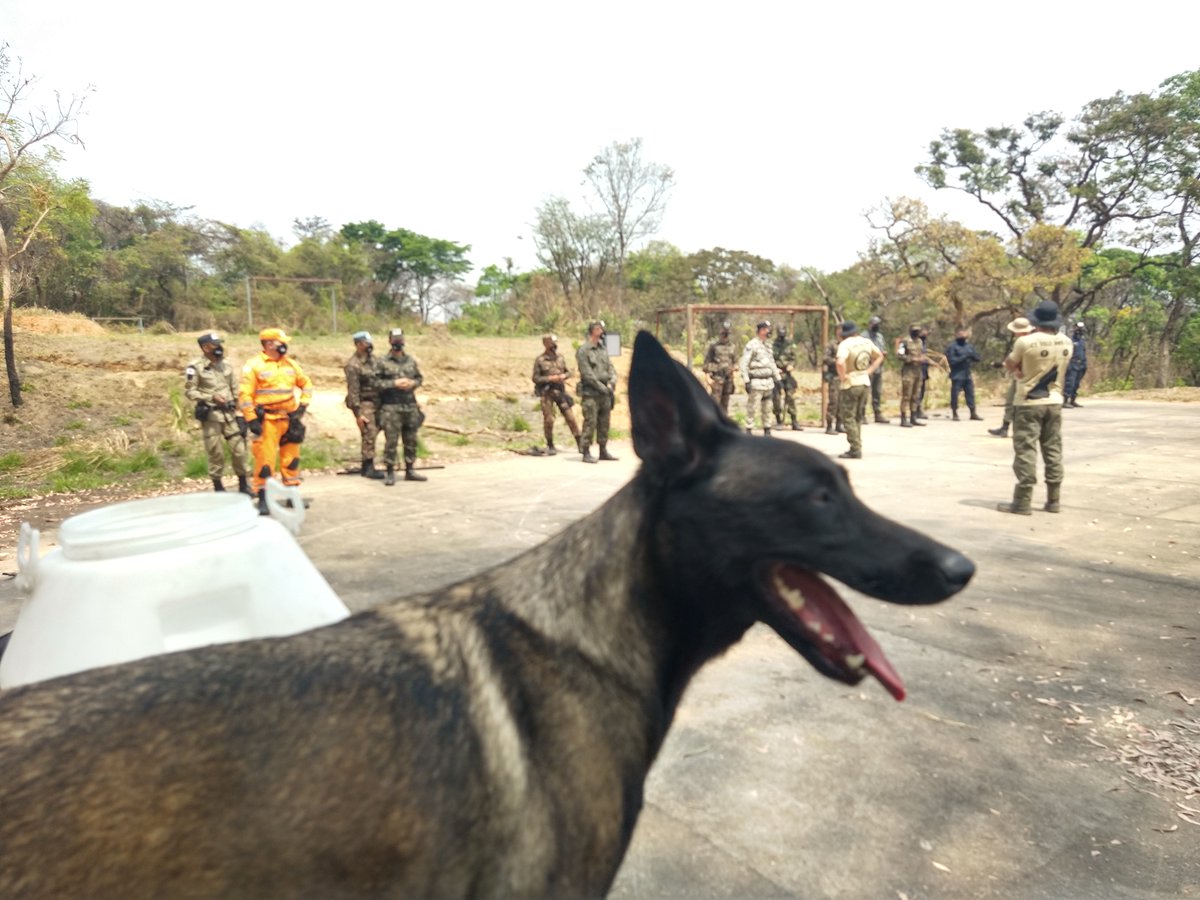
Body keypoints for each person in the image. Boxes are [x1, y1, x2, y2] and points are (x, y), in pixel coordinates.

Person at [997, 300, 1074, 515]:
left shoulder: (1025, 342)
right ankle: (1053, 500)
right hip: (1054, 400)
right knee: (1053, 449)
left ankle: (1022, 502)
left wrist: (1019, 370)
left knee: (1026, 450)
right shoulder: (1067, 342)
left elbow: (1010, 363)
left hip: (1028, 402)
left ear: (1036, 321)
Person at [239, 327, 313, 514]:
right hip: (267, 421)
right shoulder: (254, 366)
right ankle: (263, 497)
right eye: (282, 342)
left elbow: (306, 384)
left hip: (289, 419)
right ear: (269, 344)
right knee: (265, 460)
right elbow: (245, 395)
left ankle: (292, 496)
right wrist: (251, 419)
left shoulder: (290, 364)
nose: (285, 345)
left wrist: (302, 406)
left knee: (291, 459)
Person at [185, 331, 251, 495]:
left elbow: (235, 389)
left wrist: (240, 413)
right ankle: (219, 489)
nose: (219, 348)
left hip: (230, 415)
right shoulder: (195, 367)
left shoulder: (226, 364)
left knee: (239, 450)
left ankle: (244, 486)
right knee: (216, 453)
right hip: (211, 416)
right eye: (215, 345)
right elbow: (190, 392)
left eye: (220, 344)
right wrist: (211, 397)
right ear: (205, 348)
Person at [373, 328, 427, 485]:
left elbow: (419, 378)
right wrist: (394, 383)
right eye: (395, 340)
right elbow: (375, 383)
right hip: (391, 407)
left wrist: (412, 383)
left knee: (411, 439)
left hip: (410, 406)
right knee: (391, 441)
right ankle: (390, 471)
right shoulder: (382, 362)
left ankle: (410, 469)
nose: (398, 342)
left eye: (400, 339)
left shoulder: (410, 360)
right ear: (390, 341)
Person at [835, 321, 884, 459]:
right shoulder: (866, 342)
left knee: (848, 417)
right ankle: (857, 444)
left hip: (851, 383)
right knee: (858, 416)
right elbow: (880, 356)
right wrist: (869, 370)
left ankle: (855, 448)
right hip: (864, 381)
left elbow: (840, 362)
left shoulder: (845, 344)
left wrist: (843, 376)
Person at [532, 333, 582, 455]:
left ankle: (580, 443)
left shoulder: (560, 357)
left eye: (555, 343)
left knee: (570, 418)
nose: (554, 345)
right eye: (551, 343)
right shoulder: (540, 360)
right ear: (545, 344)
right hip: (547, 393)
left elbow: (568, 372)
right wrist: (550, 378)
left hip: (560, 392)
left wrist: (564, 376)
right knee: (549, 419)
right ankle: (550, 445)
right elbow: (536, 378)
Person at [576, 320, 619, 464]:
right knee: (590, 422)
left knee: (604, 422)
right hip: (591, 393)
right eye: (598, 328)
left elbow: (611, 368)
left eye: (601, 328)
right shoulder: (584, 351)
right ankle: (586, 451)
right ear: (592, 331)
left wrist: (612, 382)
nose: (601, 330)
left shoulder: (603, 349)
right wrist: (602, 387)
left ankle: (603, 450)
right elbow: (587, 374)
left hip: (605, 393)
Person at [344, 331, 384, 479]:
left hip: (379, 401)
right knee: (369, 431)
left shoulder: (374, 360)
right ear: (358, 344)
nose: (369, 345)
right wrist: (358, 414)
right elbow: (353, 391)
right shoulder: (353, 365)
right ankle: (367, 467)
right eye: (366, 342)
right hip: (364, 402)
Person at [988, 316, 1033, 438]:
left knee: (1012, 402)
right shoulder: (1034, 341)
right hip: (1032, 377)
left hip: (1021, 377)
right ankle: (1012, 428)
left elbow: (1013, 361)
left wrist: (1006, 366)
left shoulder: (1022, 342)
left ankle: (1007, 428)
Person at [739, 321, 781, 436]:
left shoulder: (768, 345)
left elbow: (772, 362)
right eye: (767, 329)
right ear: (761, 330)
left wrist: (777, 378)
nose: (769, 331)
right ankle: (749, 429)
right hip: (756, 381)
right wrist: (746, 380)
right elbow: (744, 363)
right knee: (752, 407)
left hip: (768, 382)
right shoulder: (752, 345)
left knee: (767, 407)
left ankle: (767, 429)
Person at [945, 327, 984, 421]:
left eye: (964, 334)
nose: (962, 335)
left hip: (967, 374)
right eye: (960, 334)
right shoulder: (952, 347)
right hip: (957, 374)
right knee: (955, 394)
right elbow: (952, 361)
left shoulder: (969, 346)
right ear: (956, 335)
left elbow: (978, 358)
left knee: (970, 394)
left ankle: (973, 413)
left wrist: (973, 355)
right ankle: (955, 413)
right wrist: (964, 357)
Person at [771, 324, 803, 431]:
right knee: (776, 397)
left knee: (790, 397)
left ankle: (794, 421)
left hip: (787, 374)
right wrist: (775, 368)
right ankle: (778, 420)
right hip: (777, 374)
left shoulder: (789, 344)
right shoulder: (773, 345)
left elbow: (794, 358)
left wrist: (791, 365)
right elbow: (770, 359)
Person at [895, 324, 927, 427]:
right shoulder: (905, 341)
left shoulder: (920, 341)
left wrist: (923, 358)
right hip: (908, 371)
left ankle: (913, 417)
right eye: (915, 330)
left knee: (916, 395)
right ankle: (903, 418)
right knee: (906, 395)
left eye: (918, 330)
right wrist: (911, 359)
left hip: (918, 370)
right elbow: (899, 355)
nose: (916, 332)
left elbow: (922, 353)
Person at [702, 321, 738, 415]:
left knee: (725, 404)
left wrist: (734, 373)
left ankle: (723, 421)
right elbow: (706, 363)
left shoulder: (733, 347)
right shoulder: (713, 346)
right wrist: (707, 378)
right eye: (723, 334)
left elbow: (735, 362)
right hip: (716, 379)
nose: (725, 336)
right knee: (714, 403)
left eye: (727, 334)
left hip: (728, 379)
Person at [866, 316, 890, 423]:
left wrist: (883, 354)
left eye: (878, 324)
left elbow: (882, 348)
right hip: (868, 367)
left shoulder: (880, 336)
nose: (877, 326)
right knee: (865, 392)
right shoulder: (864, 336)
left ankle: (877, 413)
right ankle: (861, 414)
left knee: (877, 392)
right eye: (875, 324)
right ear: (870, 324)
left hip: (879, 367)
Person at [821, 339, 844, 435]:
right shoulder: (832, 344)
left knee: (842, 401)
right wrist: (837, 361)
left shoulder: (848, 344)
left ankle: (839, 424)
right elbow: (825, 358)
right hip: (834, 376)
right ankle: (829, 425)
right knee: (834, 401)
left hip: (844, 376)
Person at [1064, 322, 1088, 408]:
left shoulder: (1082, 340)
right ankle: (1065, 400)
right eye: (1078, 328)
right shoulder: (1069, 339)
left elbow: (1083, 352)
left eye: (1081, 328)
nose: (1080, 330)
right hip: (1072, 363)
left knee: (1076, 383)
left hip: (1081, 364)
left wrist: (1085, 363)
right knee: (1070, 383)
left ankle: (1073, 400)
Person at [914, 326, 931, 420]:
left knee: (922, 391)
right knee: (917, 391)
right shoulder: (915, 342)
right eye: (923, 332)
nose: (925, 333)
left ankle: (918, 409)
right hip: (915, 371)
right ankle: (915, 410)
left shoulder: (923, 343)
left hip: (924, 371)